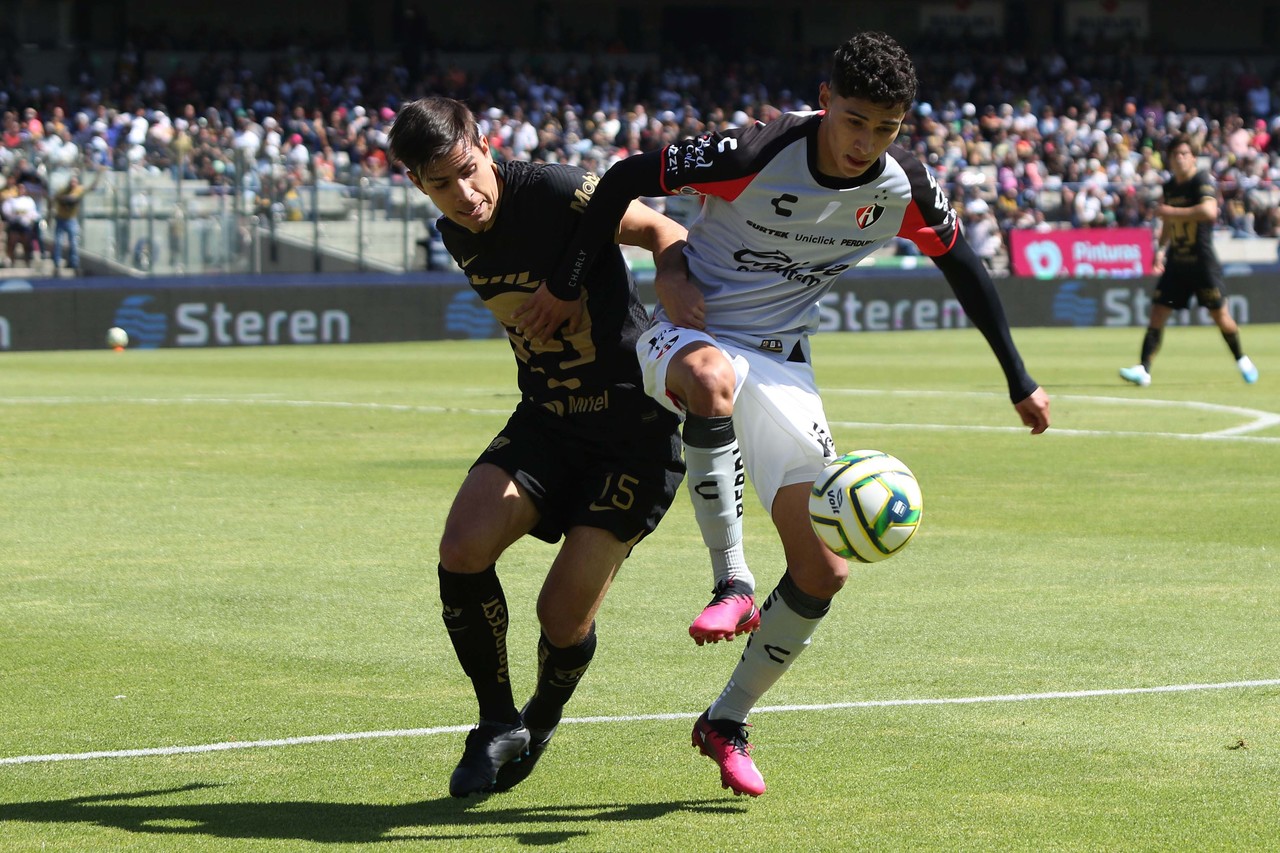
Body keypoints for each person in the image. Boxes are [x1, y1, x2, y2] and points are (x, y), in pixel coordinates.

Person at [520, 31, 1052, 796]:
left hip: (783, 362)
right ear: (825, 100)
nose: (865, 143)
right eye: (854, 120)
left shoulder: (902, 184)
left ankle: (726, 719)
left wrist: (1018, 377)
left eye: (886, 128)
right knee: (709, 381)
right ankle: (732, 581)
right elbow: (627, 177)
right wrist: (571, 281)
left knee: (823, 569)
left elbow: (961, 263)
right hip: (691, 334)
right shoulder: (756, 151)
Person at [386, 97, 689, 797]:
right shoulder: (454, 231)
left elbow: (662, 228)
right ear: (417, 185)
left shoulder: (555, 188)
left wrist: (675, 303)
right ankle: (496, 723)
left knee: (560, 616)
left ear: (484, 145)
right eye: (441, 184)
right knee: (461, 548)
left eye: (468, 170)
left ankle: (541, 718)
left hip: (632, 433)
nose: (464, 194)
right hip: (548, 420)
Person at [1119, 134, 1259, 387]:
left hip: (1202, 262)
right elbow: (1168, 222)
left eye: (1184, 154)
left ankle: (1242, 359)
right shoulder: (1170, 186)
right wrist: (1161, 249)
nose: (1180, 158)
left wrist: (1171, 211)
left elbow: (1209, 211)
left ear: (1193, 157)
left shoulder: (1201, 180)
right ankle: (1143, 369)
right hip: (1177, 262)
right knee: (1158, 312)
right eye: (1175, 155)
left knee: (1220, 316)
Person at [51, 168, 103, 275]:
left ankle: (74, 264)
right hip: (61, 218)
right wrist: (67, 199)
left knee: (74, 243)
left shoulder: (79, 190)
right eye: (71, 182)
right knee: (58, 242)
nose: (73, 184)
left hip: (71, 219)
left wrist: (98, 175)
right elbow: (55, 198)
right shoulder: (62, 190)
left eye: (75, 182)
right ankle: (56, 264)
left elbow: (92, 188)